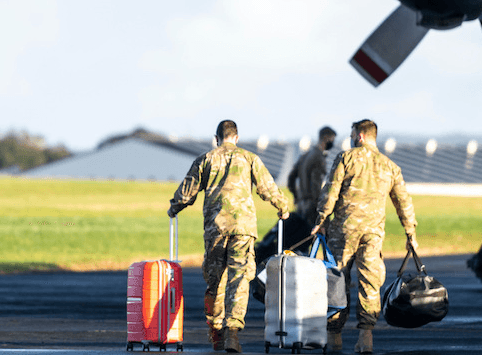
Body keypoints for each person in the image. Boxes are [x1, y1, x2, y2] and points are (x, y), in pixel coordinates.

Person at [168, 120, 289, 353]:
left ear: (217, 138)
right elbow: (268, 188)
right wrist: (283, 207)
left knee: (215, 283)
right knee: (239, 280)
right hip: (243, 230)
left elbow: (186, 192)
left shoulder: (206, 159)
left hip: (216, 231)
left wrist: (174, 207)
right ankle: (232, 333)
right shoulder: (250, 158)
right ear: (237, 137)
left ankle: (217, 334)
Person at [310, 119, 418, 354]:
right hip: (372, 234)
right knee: (369, 283)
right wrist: (410, 232)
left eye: (351, 135)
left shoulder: (346, 158)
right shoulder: (390, 166)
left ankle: (334, 336)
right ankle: (365, 337)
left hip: (343, 232)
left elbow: (330, 191)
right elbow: (403, 202)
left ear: (359, 136)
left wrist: (320, 221)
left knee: (337, 280)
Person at [287, 126, 337, 220]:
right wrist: (320, 207)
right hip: (312, 206)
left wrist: (297, 197)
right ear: (326, 138)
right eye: (332, 139)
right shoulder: (319, 158)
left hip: (301, 204)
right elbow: (316, 185)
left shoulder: (305, 155)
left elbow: (291, 178)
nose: (332, 143)